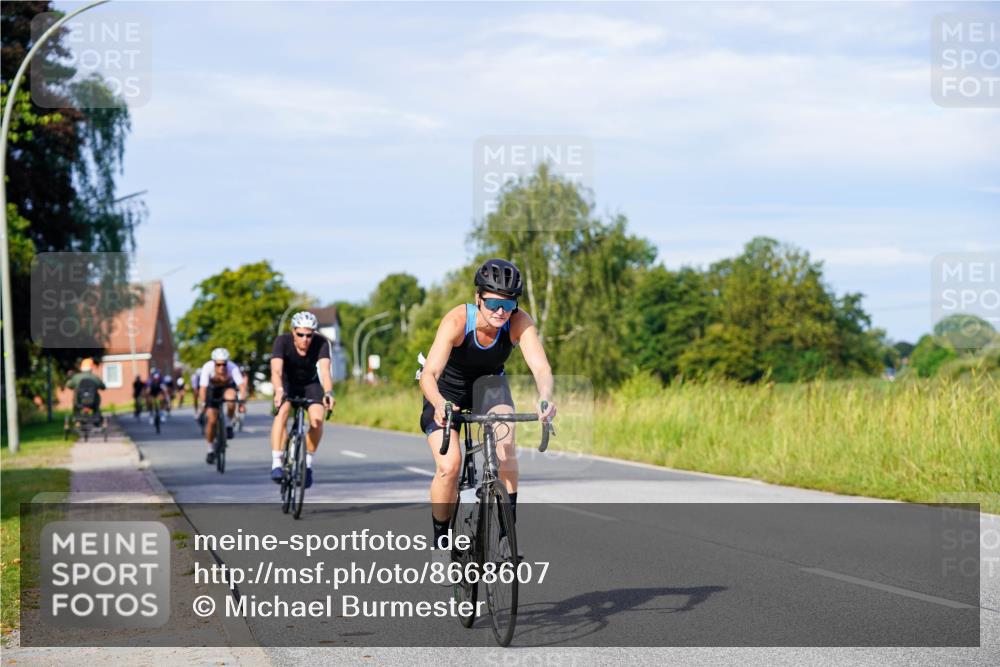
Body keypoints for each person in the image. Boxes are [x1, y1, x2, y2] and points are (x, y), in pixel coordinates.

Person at [418, 259, 556, 554]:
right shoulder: (456, 321)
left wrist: (545, 397)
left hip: (490, 388)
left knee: (505, 446)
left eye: (508, 305)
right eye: (493, 303)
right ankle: (441, 543)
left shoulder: (518, 321)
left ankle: (507, 534)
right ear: (478, 298)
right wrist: (441, 404)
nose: (500, 312)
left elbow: (541, 369)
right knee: (449, 467)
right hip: (446, 393)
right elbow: (428, 375)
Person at [269, 311, 335, 488]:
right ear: (293, 332)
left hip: (309, 384)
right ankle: (277, 463)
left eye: (309, 335)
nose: (305, 339)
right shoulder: (282, 342)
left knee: (317, 420)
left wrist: (328, 393)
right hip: (287, 383)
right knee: (282, 411)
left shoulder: (321, 343)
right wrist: (279, 390)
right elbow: (276, 371)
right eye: (301, 334)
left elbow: (325, 372)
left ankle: (306, 464)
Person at [197, 348, 248, 464]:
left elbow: (242, 387)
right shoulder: (207, 367)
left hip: (226, 388)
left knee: (231, 398)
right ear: (214, 363)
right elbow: (203, 389)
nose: (222, 367)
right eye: (218, 364)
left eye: (224, 364)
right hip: (212, 391)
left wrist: (242, 403)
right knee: (212, 420)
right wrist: (203, 404)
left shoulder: (232, 367)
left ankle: (229, 424)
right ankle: (210, 449)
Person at [66, 358, 106, 426]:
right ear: (91, 368)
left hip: (79, 402)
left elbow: (68, 385)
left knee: (75, 400)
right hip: (93, 402)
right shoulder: (95, 377)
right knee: (97, 398)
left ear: (82, 367)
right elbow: (103, 387)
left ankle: (77, 419)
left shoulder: (76, 377)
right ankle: (96, 418)